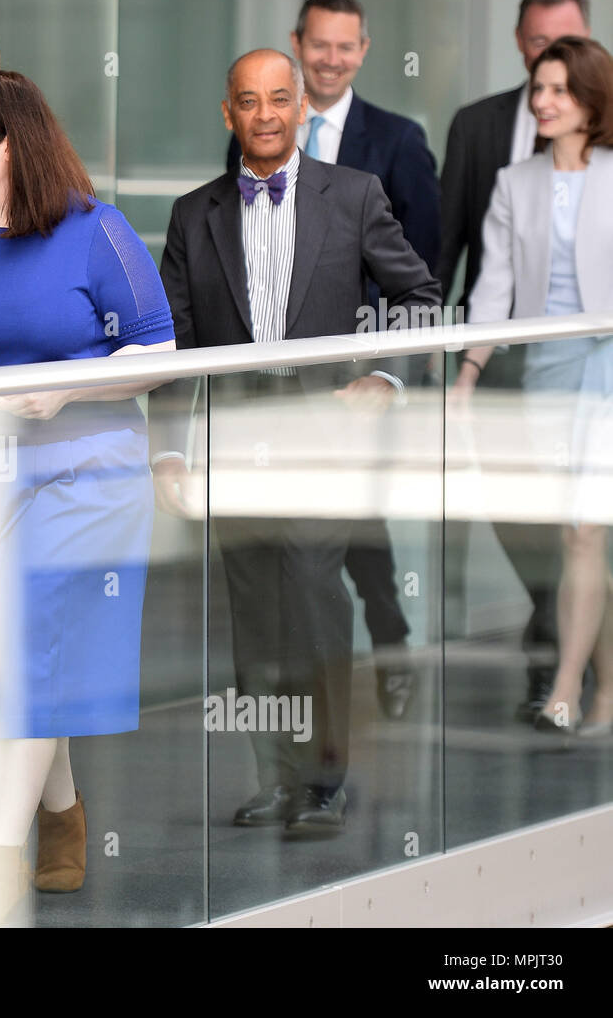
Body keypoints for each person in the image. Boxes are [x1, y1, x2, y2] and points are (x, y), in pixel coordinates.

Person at [0, 69, 175, 920]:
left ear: (10, 144)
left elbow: (159, 353)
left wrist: (65, 389)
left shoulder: (97, 230)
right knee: (11, 656)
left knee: (26, 646)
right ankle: (59, 809)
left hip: (85, 470)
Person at [154, 49, 441, 834]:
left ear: (300, 108)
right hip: (234, 448)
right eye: (250, 101)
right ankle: (274, 776)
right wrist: (169, 450)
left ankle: (324, 780)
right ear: (229, 113)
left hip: (324, 446)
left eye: (280, 99)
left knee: (315, 603)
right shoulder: (194, 213)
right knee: (254, 616)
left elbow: (419, 294)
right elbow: (174, 344)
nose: (267, 114)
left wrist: (385, 378)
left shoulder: (354, 196)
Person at [228, 0, 438, 721]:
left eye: (347, 46)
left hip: (357, 378)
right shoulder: (264, 120)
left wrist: (381, 368)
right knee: (302, 541)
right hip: (271, 387)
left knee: (357, 523)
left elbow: (419, 269)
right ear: (298, 42)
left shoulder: (398, 139)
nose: (332, 59)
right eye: (320, 45)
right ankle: (297, 717)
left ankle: (388, 640)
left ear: (365, 52)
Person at [452, 35, 613, 737]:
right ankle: (608, 691)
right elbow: (492, 289)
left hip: (609, 370)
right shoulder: (514, 182)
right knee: (580, 540)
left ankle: (568, 685)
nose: (542, 102)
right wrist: (468, 372)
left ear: (590, 99)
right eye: (538, 89)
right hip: (547, 372)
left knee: (584, 531)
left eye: (558, 90)